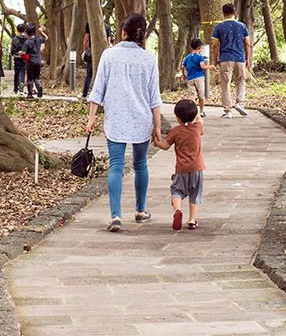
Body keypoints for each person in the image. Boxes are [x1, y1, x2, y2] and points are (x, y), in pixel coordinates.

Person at [85, 13, 162, 232]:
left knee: (116, 167)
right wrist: (157, 127)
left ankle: (115, 216)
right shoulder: (149, 59)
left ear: (123, 32)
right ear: (142, 34)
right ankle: (140, 211)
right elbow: (154, 98)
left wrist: (91, 119)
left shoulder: (109, 56)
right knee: (140, 165)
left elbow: (97, 90)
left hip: (116, 119)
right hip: (141, 119)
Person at [154, 98, 205, 230]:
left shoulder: (176, 131)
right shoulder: (197, 128)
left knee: (176, 191)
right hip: (197, 168)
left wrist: (156, 142)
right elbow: (200, 119)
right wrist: (196, 111)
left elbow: (165, 146)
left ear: (177, 118)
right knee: (195, 194)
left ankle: (177, 210)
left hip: (182, 169)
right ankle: (192, 220)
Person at [211, 3, 251, 118]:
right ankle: (240, 103)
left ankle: (228, 110)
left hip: (225, 58)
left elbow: (214, 45)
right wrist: (247, 58)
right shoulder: (242, 26)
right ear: (235, 12)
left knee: (225, 84)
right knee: (241, 81)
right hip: (240, 58)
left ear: (223, 13)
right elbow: (247, 44)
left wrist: (215, 59)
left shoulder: (219, 27)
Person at [180, 38, 208, 118]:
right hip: (199, 77)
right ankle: (201, 112)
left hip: (190, 78)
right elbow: (202, 66)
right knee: (201, 95)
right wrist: (211, 66)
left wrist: (183, 74)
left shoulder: (187, 57)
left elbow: (183, 66)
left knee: (193, 95)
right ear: (199, 47)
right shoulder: (199, 57)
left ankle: (192, 112)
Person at [24, 22, 46, 99]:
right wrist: (41, 32)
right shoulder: (39, 39)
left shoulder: (27, 42)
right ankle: (39, 89)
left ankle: (30, 94)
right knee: (37, 77)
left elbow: (23, 53)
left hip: (30, 62)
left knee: (29, 78)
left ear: (27, 32)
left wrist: (20, 53)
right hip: (38, 61)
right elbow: (45, 39)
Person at [11, 24, 29, 94]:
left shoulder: (15, 39)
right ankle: (21, 89)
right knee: (23, 73)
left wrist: (14, 54)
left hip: (17, 58)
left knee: (17, 73)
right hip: (25, 58)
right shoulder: (27, 39)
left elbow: (12, 50)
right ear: (24, 30)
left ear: (17, 30)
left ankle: (16, 89)